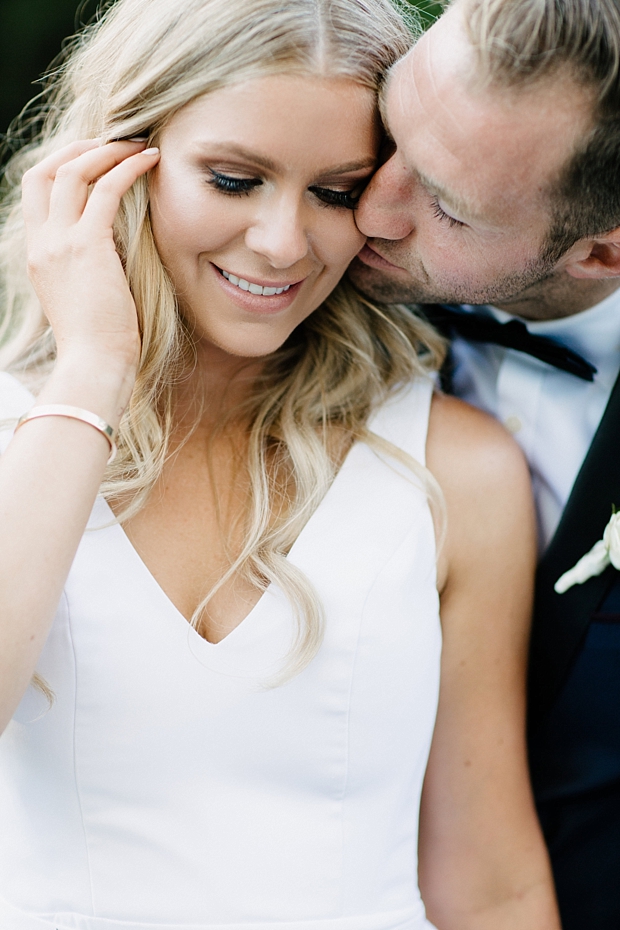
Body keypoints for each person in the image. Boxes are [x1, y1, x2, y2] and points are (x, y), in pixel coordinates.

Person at [0, 0, 559, 927]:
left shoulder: (455, 468)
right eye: (232, 179)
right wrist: (92, 370)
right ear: (110, 165)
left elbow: (492, 885)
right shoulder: (24, 435)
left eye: (336, 192)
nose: (283, 243)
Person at [349, 0, 620, 928]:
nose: (371, 207)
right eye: (391, 127)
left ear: (603, 250)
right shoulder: (268, 275)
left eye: (447, 207)